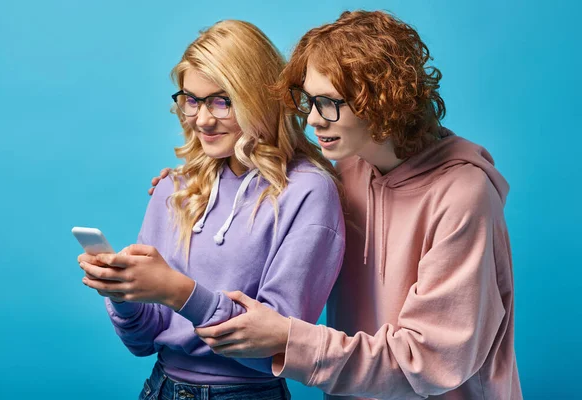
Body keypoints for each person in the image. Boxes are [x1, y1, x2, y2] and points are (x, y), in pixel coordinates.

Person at [151, 10, 522, 400]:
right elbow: (279, 189)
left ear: (381, 101)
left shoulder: (464, 195)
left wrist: (290, 339)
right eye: (308, 100)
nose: (312, 119)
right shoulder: (349, 168)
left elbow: (429, 360)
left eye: (328, 103)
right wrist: (196, 183)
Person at [78, 19, 345, 400]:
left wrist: (179, 292)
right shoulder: (176, 186)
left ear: (259, 98)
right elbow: (144, 342)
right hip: (159, 387)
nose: (201, 119)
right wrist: (123, 295)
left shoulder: (307, 192)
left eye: (221, 101)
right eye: (191, 99)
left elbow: (277, 345)